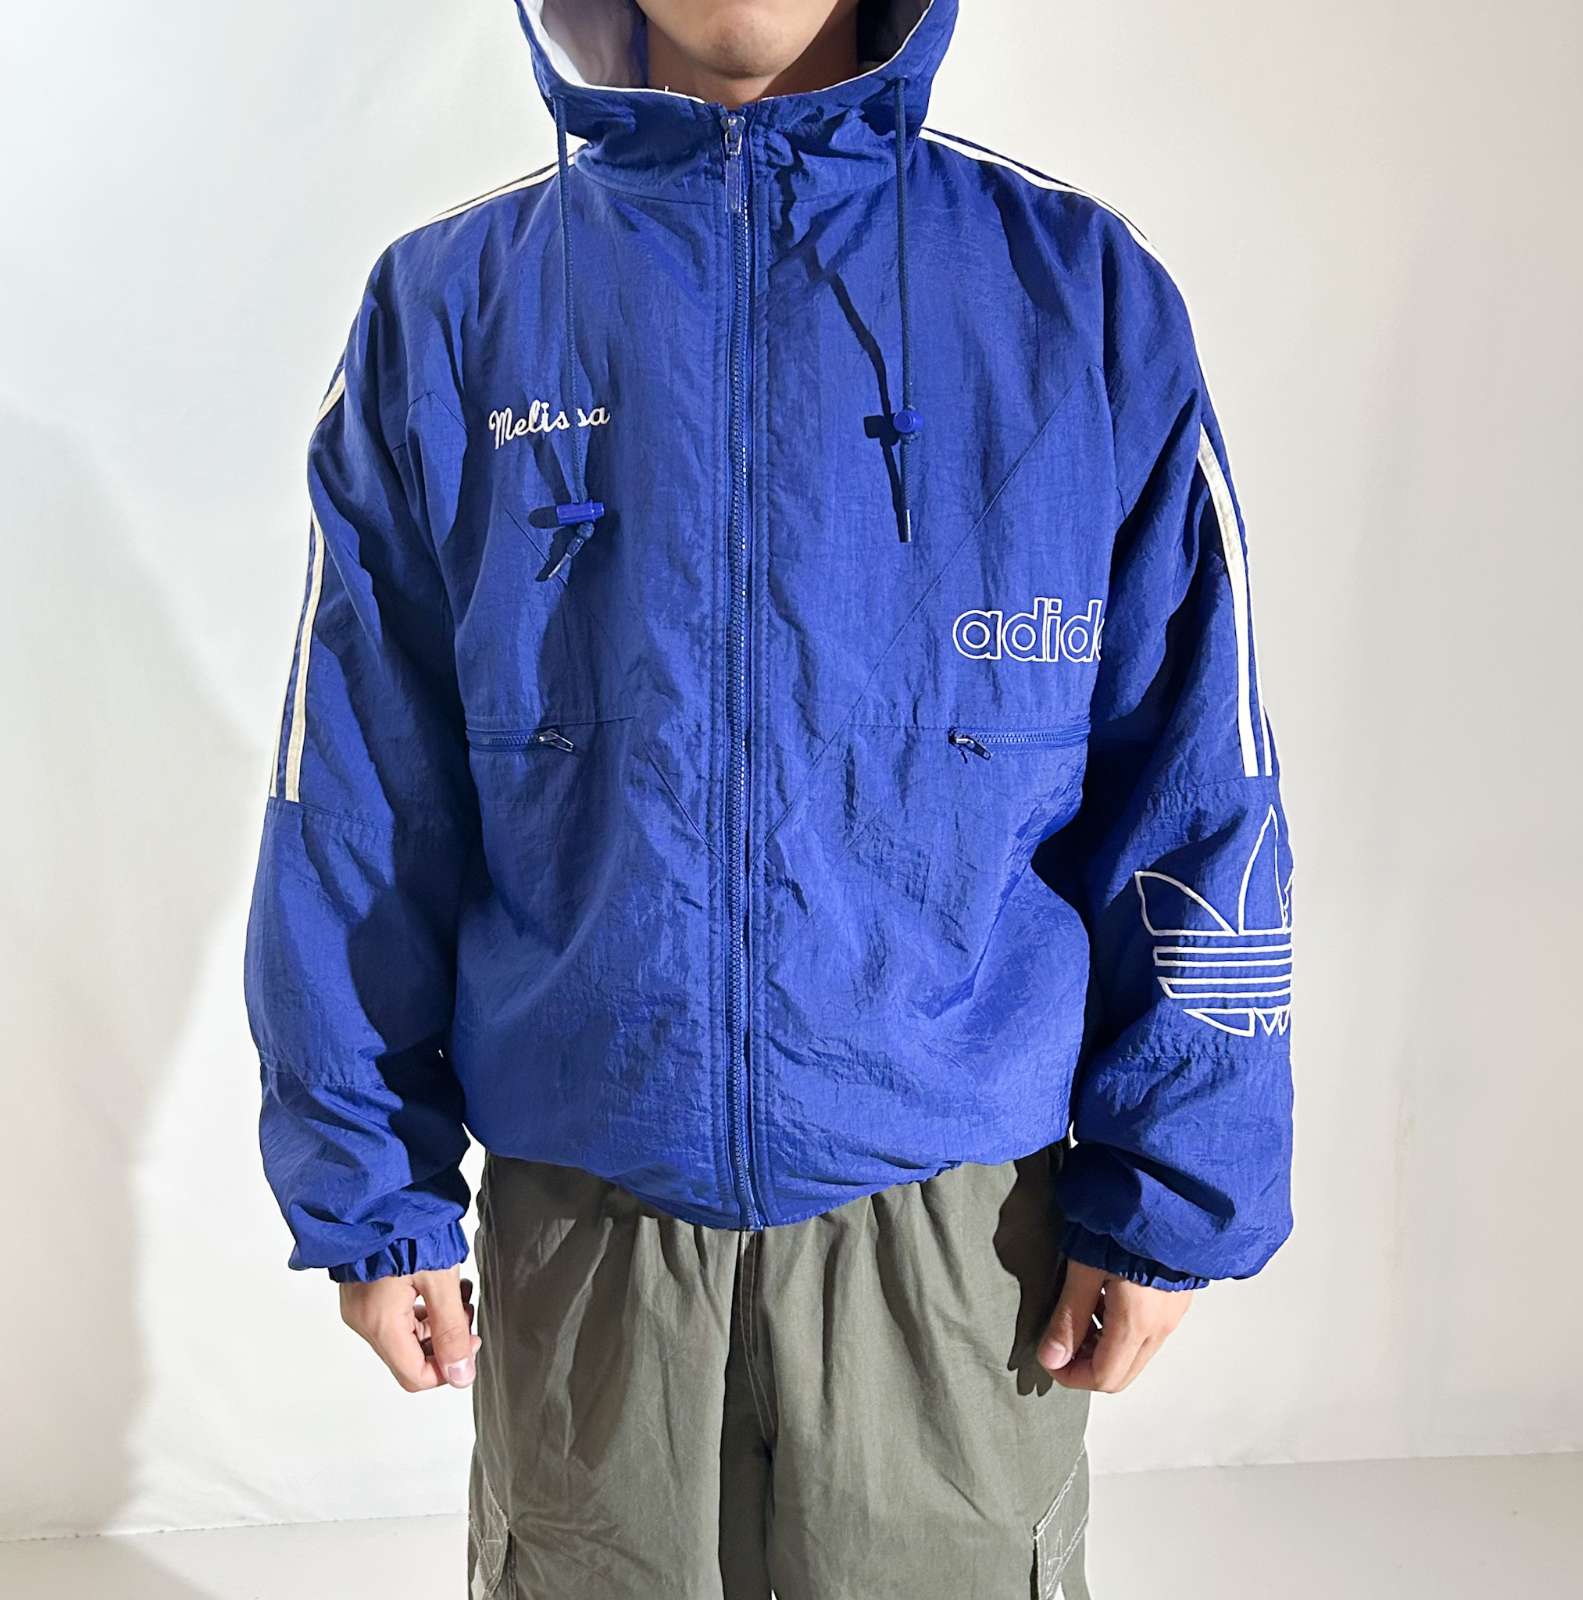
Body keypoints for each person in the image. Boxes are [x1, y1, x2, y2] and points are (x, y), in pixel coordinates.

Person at [243, 1, 1296, 1595]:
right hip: (589, 1229)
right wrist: (367, 1184)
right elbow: (358, 785)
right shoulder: (451, 307)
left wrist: (1175, 1181)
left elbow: (1197, 767)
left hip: (957, 1242)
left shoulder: (1074, 295)